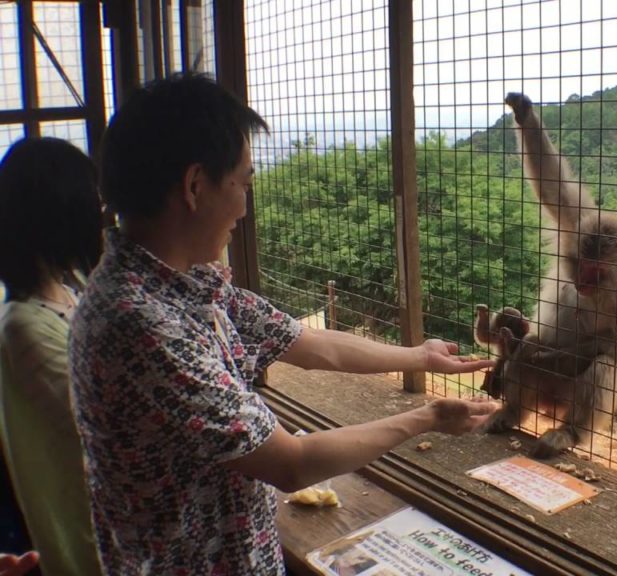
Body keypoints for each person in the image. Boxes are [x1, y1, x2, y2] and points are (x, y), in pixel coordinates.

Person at [68, 72, 497, 575]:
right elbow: (290, 464)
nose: (245, 207)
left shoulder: (179, 285)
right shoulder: (141, 324)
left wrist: (419, 357)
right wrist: (426, 418)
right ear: (195, 185)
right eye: (243, 183)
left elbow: (309, 343)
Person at [0, 137, 105, 576]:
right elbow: (103, 418)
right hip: (89, 540)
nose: (100, 214)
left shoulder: (73, 286)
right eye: (91, 203)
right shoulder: (22, 326)